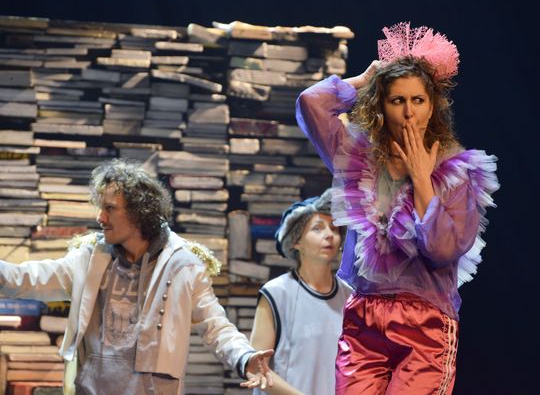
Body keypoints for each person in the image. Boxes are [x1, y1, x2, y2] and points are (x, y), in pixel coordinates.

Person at [296, 22, 499, 394]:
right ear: (381, 104)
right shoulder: (354, 155)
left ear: (432, 106)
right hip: (364, 317)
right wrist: (364, 80)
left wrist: (422, 180)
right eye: (396, 100)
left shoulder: (458, 173)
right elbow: (311, 103)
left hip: (425, 324)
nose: (408, 112)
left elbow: (442, 250)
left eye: (417, 100)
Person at [0, 159, 273, 395]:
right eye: (100, 207)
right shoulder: (90, 257)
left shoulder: (184, 265)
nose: (100, 217)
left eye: (110, 208)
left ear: (139, 211)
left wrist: (244, 357)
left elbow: (216, 326)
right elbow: (28, 279)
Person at [250, 189, 353, 395]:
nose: (329, 235)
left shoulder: (349, 297)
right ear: (296, 241)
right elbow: (256, 368)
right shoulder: (276, 293)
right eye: (317, 228)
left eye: (334, 228)